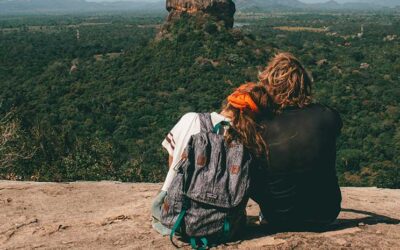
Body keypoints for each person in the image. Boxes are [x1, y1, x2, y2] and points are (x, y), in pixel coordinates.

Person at [152, 82, 271, 235]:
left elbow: (172, 162)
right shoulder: (251, 141)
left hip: (177, 217)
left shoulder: (191, 120)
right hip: (225, 224)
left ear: (230, 101)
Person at [251, 52, 343, 229]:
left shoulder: (261, 124)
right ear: (304, 84)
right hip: (325, 213)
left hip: (277, 215)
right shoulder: (328, 116)